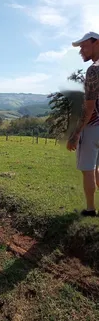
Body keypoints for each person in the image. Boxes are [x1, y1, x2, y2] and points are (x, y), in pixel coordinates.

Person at [67, 31, 99, 216]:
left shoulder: (94, 70)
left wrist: (76, 133)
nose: (81, 51)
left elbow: (89, 106)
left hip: (93, 126)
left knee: (88, 169)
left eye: (84, 46)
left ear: (97, 44)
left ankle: (90, 209)